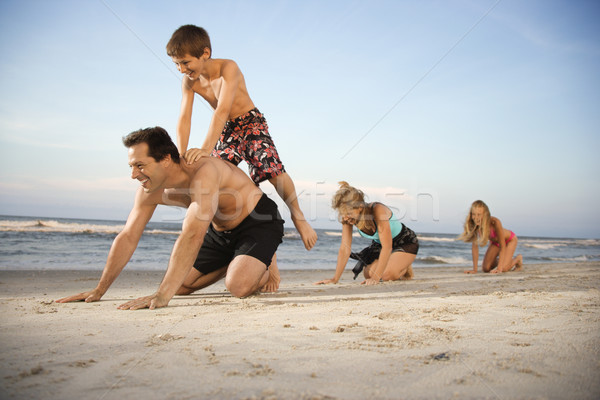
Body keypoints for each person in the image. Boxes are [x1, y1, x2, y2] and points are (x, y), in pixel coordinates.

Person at [56, 127, 284, 310]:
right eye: (131, 167)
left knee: (238, 286)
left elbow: (192, 234)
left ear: (165, 159)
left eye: (140, 165)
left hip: (258, 220)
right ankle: (240, 258)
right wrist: (99, 290)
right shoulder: (150, 190)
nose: (134, 175)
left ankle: (263, 262)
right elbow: (128, 236)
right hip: (220, 228)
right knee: (182, 284)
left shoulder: (203, 173)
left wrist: (163, 295)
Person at [166, 24, 317, 251]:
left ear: (205, 54)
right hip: (227, 130)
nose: (181, 69)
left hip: (250, 123)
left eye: (185, 62)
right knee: (215, 177)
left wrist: (206, 148)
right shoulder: (189, 82)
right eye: (176, 64)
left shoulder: (229, 68)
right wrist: (180, 154)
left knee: (271, 171)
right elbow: (184, 118)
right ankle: (238, 234)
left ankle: (298, 216)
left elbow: (222, 110)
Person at [315, 182, 418, 286]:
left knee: (385, 276)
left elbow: (387, 247)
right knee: (368, 274)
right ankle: (396, 261)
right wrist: (335, 279)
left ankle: (404, 266)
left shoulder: (377, 210)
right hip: (380, 245)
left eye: (349, 213)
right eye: (343, 214)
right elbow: (345, 248)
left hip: (404, 242)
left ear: (360, 207)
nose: (345, 217)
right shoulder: (347, 219)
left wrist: (376, 278)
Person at [458, 200, 523, 274]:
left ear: (485, 214)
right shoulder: (475, 225)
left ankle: (517, 259)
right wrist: (474, 270)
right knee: (486, 268)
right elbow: (475, 248)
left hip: (509, 241)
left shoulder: (495, 222)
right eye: (474, 214)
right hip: (495, 243)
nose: (476, 218)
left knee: (504, 268)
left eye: (479, 214)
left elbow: (502, 246)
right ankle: (504, 261)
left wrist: (499, 268)